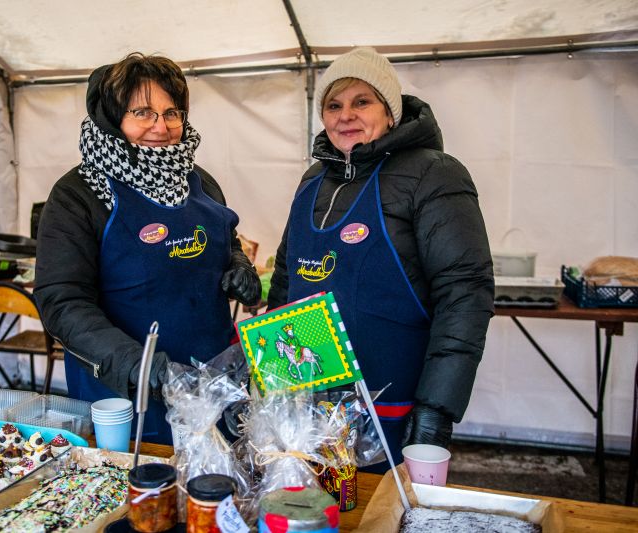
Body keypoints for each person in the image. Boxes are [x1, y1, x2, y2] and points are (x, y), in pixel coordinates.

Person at [267, 47, 494, 467]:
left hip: (391, 405)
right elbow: (286, 280)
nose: (345, 115)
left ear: (390, 112)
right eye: (333, 105)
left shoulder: (433, 173)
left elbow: (465, 294)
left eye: (361, 101)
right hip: (311, 407)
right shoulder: (313, 179)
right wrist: (274, 379)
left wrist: (436, 408)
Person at [35, 53, 261, 445]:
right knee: (137, 500)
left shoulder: (199, 180)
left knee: (210, 495)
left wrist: (239, 264)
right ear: (112, 117)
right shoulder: (79, 194)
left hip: (211, 390)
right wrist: (143, 369)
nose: (162, 126)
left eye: (172, 112)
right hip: (126, 395)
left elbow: (227, 239)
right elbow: (62, 301)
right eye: (143, 112)